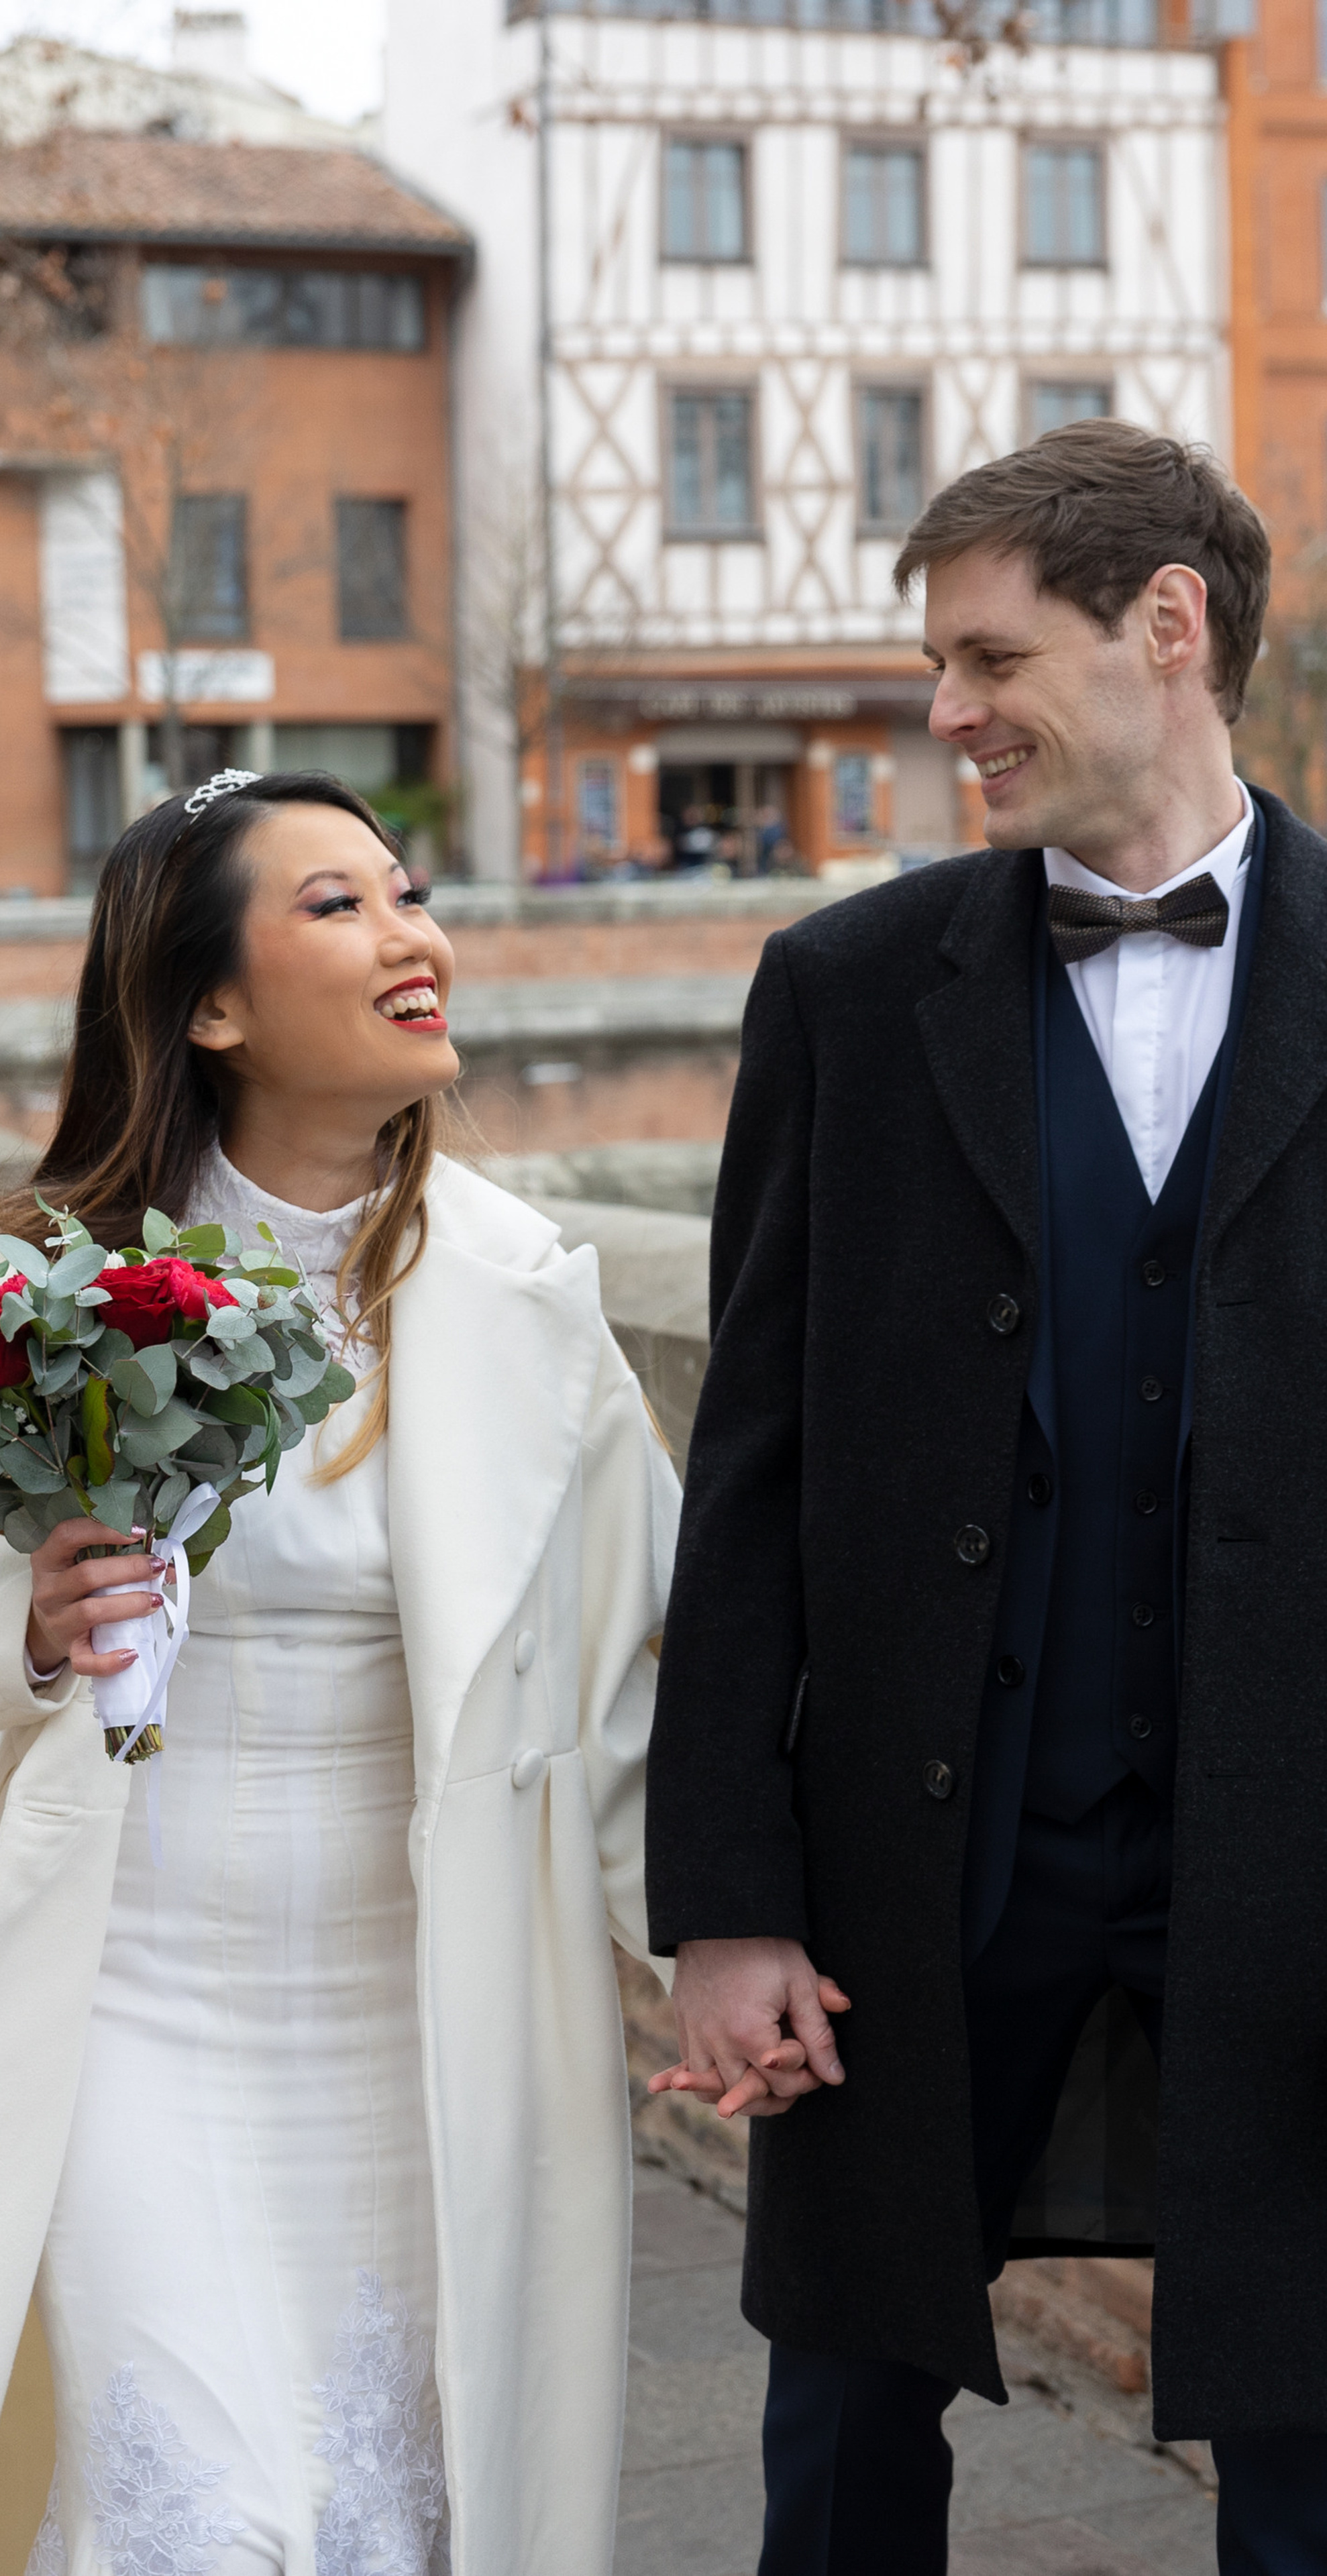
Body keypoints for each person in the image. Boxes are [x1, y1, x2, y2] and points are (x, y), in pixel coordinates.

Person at [643, 423, 1327, 2575]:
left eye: (991, 656)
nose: (949, 711)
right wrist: (730, 1893)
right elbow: (756, 1483)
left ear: (1169, 628)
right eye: (940, 664)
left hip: (1309, 1890)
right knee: (846, 2446)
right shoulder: (848, 998)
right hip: (911, 1875)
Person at [0, 770, 677, 2575]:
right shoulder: (48, 1290)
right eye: (339, 906)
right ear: (208, 1004)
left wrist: (715, 1950)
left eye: (411, 894)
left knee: (395, 2521)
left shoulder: (530, 1297)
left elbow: (637, 1683)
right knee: (198, 2517)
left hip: (429, 2026)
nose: (413, 937)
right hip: (125, 2006)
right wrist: (30, 1636)